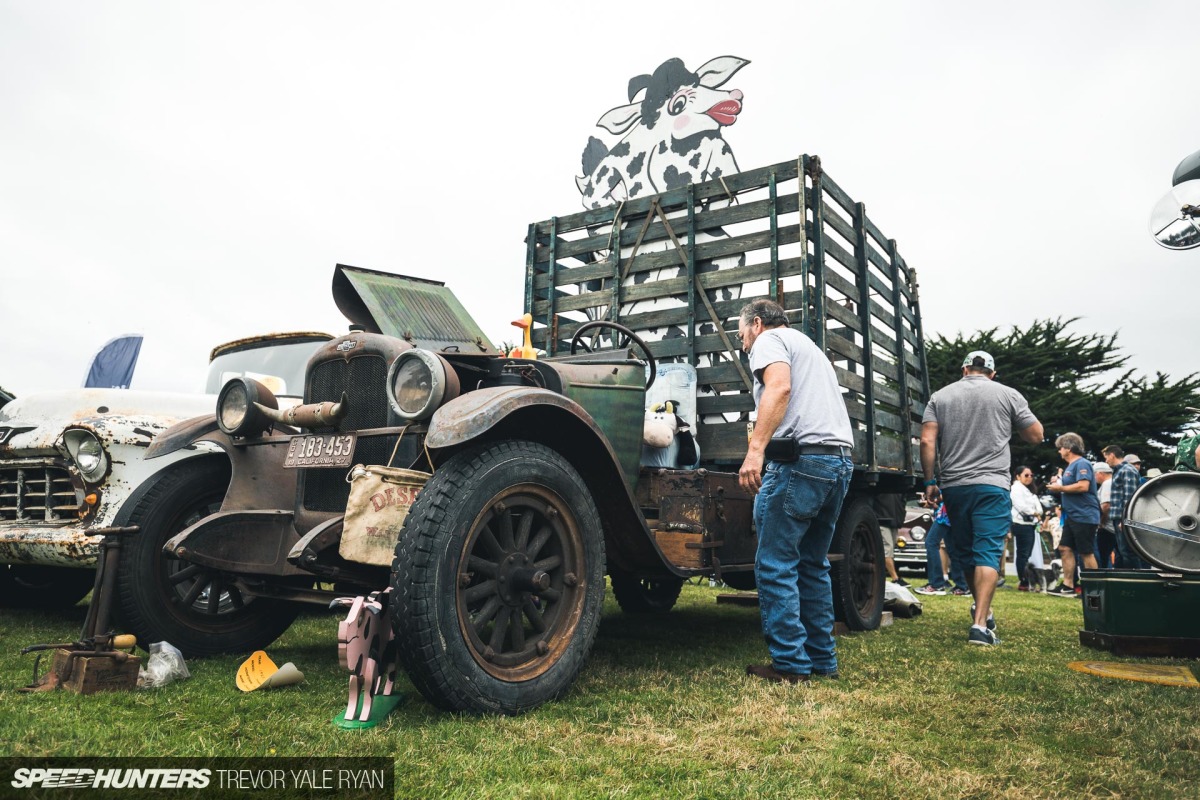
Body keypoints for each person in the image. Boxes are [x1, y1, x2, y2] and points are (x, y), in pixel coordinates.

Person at [736, 299, 854, 683]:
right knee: (812, 564)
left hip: (800, 461)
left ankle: (790, 664)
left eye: (742, 335)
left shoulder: (769, 341)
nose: (743, 344)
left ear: (757, 323)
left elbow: (780, 387)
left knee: (775, 563)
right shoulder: (809, 347)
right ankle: (822, 661)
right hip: (837, 461)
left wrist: (755, 450)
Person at [920, 350, 1043, 646]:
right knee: (987, 552)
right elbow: (1036, 435)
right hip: (992, 486)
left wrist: (930, 481)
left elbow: (926, 440)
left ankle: (983, 612)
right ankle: (979, 626)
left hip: (954, 487)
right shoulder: (1008, 394)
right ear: (992, 373)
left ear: (964, 370)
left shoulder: (940, 396)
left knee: (964, 554)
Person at [1046, 433, 1101, 595]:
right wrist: (1058, 485)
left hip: (1084, 514)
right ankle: (1068, 586)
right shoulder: (1070, 467)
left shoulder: (1082, 463)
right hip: (1072, 515)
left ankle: (1094, 588)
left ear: (1068, 448)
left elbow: (1083, 486)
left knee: (1085, 552)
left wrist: (1060, 488)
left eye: (1060, 448)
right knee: (1064, 548)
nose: (1059, 451)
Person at [1102, 445, 1150, 569]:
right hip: (1118, 517)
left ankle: (1135, 578)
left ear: (1112, 455)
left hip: (1123, 518)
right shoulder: (1119, 470)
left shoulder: (1127, 470)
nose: (1106, 461)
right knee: (1122, 552)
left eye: (1106, 457)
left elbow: (1130, 497)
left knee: (1128, 552)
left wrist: (1125, 519)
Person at [915, 501, 968, 595]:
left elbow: (947, 494)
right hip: (953, 510)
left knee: (931, 542)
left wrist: (934, 500)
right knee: (953, 547)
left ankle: (936, 584)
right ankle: (962, 586)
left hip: (946, 513)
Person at [1009, 465, 1042, 591]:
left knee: (1026, 553)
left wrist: (1036, 512)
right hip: (1020, 524)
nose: (1029, 477)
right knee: (1023, 554)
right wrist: (1034, 512)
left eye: (1031, 475)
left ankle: (1026, 580)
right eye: (1026, 475)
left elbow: (1039, 508)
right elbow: (1021, 506)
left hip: (1030, 524)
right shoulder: (1016, 488)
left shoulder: (1029, 490)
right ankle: (1024, 581)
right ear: (1018, 476)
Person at [874, 493, 910, 587]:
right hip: (882, 519)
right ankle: (895, 578)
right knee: (887, 549)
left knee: (890, 550)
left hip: (893, 521)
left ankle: (883, 577)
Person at [1094, 461, 1115, 568]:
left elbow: (1106, 505)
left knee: (1102, 556)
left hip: (1107, 527)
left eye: (1094, 474)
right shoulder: (1113, 482)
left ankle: (1103, 575)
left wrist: (1100, 522)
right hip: (1112, 526)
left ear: (1100, 473)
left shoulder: (1107, 484)